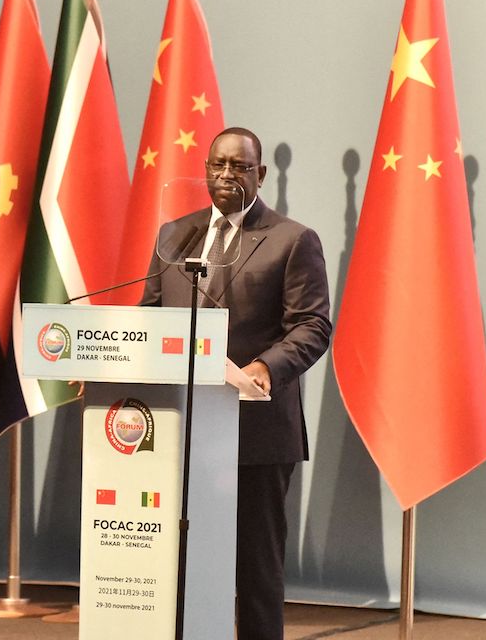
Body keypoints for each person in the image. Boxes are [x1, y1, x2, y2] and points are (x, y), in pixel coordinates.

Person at [140, 127, 331, 640]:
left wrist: (265, 368)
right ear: (205, 170)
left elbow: (313, 326)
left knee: (255, 569)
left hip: (257, 430)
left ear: (260, 175)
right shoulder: (173, 236)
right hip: (181, 431)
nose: (226, 175)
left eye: (240, 167)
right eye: (217, 165)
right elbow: (151, 319)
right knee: (180, 561)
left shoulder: (292, 240)